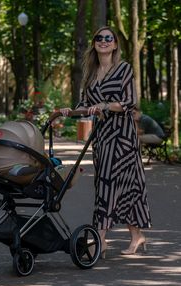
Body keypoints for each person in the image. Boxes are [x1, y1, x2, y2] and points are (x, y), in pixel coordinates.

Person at [60, 26, 151, 257]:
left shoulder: (124, 69)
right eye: (99, 38)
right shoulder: (90, 73)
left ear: (115, 44)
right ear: (94, 43)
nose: (103, 41)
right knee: (114, 184)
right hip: (102, 137)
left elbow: (129, 102)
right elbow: (84, 103)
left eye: (108, 38)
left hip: (122, 136)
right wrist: (67, 112)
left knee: (113, 184)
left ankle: (100, 237)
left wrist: (104, 106)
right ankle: (135, 236)